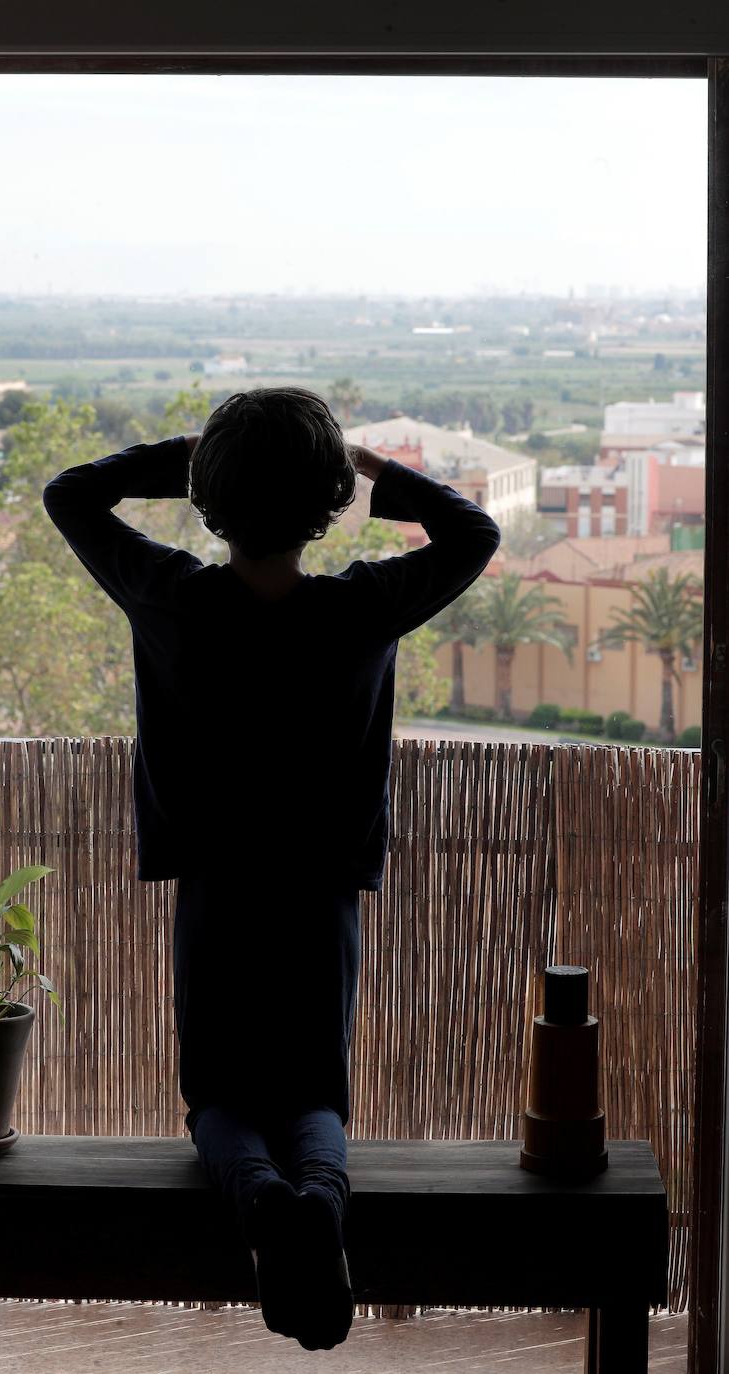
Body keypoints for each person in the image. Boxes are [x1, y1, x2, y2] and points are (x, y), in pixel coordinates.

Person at [42, 386, 501, 1350]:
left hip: (215, 886)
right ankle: (318, 1204)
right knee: (312, 1095)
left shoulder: (172, 598)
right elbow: (470, 533)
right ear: (327, 502)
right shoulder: (362, 609)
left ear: (211, 497)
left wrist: (195, 456)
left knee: (217, 1097)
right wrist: (373, 471)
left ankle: (260, 1199)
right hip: (321, 888)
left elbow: (71, 495)